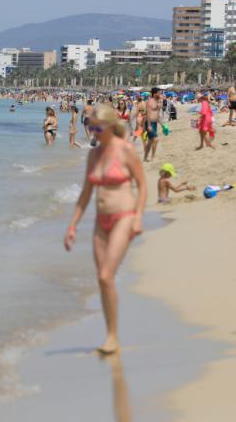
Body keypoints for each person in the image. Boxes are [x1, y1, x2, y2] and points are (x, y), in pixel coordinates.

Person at [64, 104, 147, 354]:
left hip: (124, 216)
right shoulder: (94, 155)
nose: (94, 131)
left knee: (105, 276)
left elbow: (142, 186)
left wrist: (138, 218)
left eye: (98, 127)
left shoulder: (126, 151)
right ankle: (111, 336)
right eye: (91, 127)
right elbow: (86, 193)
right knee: (103, 281)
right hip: (101, 221)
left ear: (111, 126)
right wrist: (72, 225)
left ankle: (112, 337)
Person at [143, 88, 161, 162]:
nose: (160, 94)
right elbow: (148, 113)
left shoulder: (157, 101)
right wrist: (149, 125)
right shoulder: (150, 102)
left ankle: (145, 158)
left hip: (154, 123)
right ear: (154, 93)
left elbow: (157, 115)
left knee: (150, 142)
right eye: (159, 93)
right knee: (156, 140)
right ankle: (153, 157)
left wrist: (162, 125)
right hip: (149, 123)